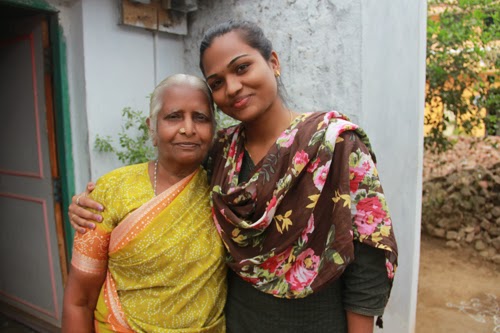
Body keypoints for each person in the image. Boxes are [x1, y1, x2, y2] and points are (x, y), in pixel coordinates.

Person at [70, 21, 398, 333]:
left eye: (242, 68)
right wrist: (91, 200)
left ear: (273, 62)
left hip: (318, 323)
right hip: (236, 324)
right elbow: (168, 181)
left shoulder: (335, 146)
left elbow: (366, 262)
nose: (233, 87)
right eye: (216, 83)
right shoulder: (222, 154)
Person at [62, 74, 227, 333]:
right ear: (152, 127)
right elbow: (79, 301)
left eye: (200, 117)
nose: (188, 128)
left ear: (213, 129)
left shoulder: (224, 190)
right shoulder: (112, 191)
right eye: (174, 116)